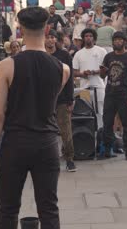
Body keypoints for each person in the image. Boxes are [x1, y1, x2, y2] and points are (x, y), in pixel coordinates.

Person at [0, 6, 70, 229]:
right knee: (49, 209)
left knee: (8, 209)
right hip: (47, 143)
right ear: (48, 28)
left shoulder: (6, 65)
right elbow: (48, 101)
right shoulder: (63, 68)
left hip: (15, 143)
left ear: (19, 30)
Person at [100, 31, 127, 160]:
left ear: (124, 42)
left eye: (120, 40)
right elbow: (102, 76)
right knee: (107, 123)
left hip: (124, 95)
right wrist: (102, 72)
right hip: (110, 94)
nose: (117, 42)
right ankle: (107, 149)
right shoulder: (108, 56)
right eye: (115, 40)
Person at [46, 29, 76, 172]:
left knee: (65, 130)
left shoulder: (64, 55)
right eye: (48, 37)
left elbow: (70, 78)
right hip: (44, 99)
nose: (50, 40)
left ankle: (69, 158)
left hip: (62, 99)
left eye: (52, 37)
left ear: (56, 40)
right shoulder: (40, 54)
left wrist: (70, 99)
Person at [73, 28, 107, 129]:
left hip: (99, 86)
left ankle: (101, 135)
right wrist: (83, 74)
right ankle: (89, 136)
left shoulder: (101, 51)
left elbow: (106, 69)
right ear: (83, 38)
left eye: (90, 36)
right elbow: (74, 72)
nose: (88, 38)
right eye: (86, 36)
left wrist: (93, 72)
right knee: (86, 112)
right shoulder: (78, 53)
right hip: (84, 88)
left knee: (100, 112)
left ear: (94, 38)